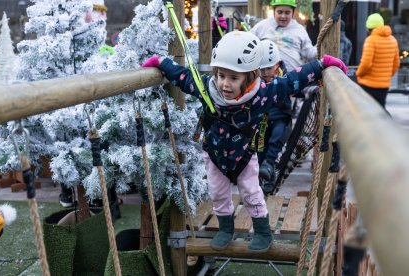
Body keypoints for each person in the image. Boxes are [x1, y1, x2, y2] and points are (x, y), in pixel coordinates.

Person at [142, 31, 347, 253]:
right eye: (221, 75)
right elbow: (183, 77)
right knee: (218, 193)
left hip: (244, 155)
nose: (224, 84)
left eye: (233, 78)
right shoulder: (207, 90)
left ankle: (262, 232)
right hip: (214, 154)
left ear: (249, 77)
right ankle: (225, 229)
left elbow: (291, 81)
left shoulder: (263, 94)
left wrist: (321, 65)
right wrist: (162, 63)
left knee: (251, 192)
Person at [256, 39, 290, 195]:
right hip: (262, 119)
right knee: (260, 149)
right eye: (260, 69)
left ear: (277, 65)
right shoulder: (256, 80)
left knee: (277, 137)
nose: (264, 73)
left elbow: (297, 85)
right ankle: (266, 176)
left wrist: (311, 88)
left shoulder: (284, 76)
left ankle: (270, 164)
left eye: (268, 69)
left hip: (281, 117)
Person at [250, 0, 317, 73]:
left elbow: (309, 52)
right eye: (279, 12)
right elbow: (248, 41)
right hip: (265, 75)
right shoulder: (262, 26)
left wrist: (319, 48)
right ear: (274, 12)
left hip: (292, 76)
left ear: (292, 13)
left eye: (287, 13)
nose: (283, 16)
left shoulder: (299, 29)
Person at [356, 13, 400, 108]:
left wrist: (358, 73)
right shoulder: (393, 40)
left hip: (368, 84)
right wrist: (386, 75)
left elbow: (366, 63)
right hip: (384, 85)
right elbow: (396, 64)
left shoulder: (370, 40)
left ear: (369, 27)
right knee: (380, 110)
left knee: (366, 111)